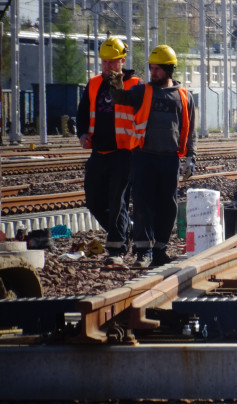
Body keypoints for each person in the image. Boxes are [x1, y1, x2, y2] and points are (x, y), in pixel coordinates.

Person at [110, 44, 197, 268]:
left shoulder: (184, 96)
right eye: (151, 68)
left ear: (169, 70)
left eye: (158, 69)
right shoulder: (142, 91)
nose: (153, 72)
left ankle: (159, 250)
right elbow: (120, 98)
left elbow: (191, 131)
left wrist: (191, 157)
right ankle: (143, 252)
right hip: (143, 156)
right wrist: (116, 80)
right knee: (143, 205)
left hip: (170, 159)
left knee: (168, 206)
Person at [76, 37, 142, 266]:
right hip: (98, 152)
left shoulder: (135, 84)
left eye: (113, 62)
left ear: (122, 61)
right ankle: (127, 230)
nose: (108, 66)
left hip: (124, 152)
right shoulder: (93, 84)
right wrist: (82, 134)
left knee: (118, 201)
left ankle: (117, 250)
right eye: (104, 62)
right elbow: (82, 113)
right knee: (93, 200)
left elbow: (142, 117)